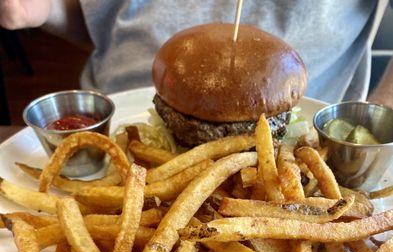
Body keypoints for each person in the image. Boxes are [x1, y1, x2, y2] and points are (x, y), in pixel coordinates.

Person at [0, 0, 392, 107]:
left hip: (290, 140)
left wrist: (380, 118)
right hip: (107, 124)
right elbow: (104, 18)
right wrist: (46, 9)